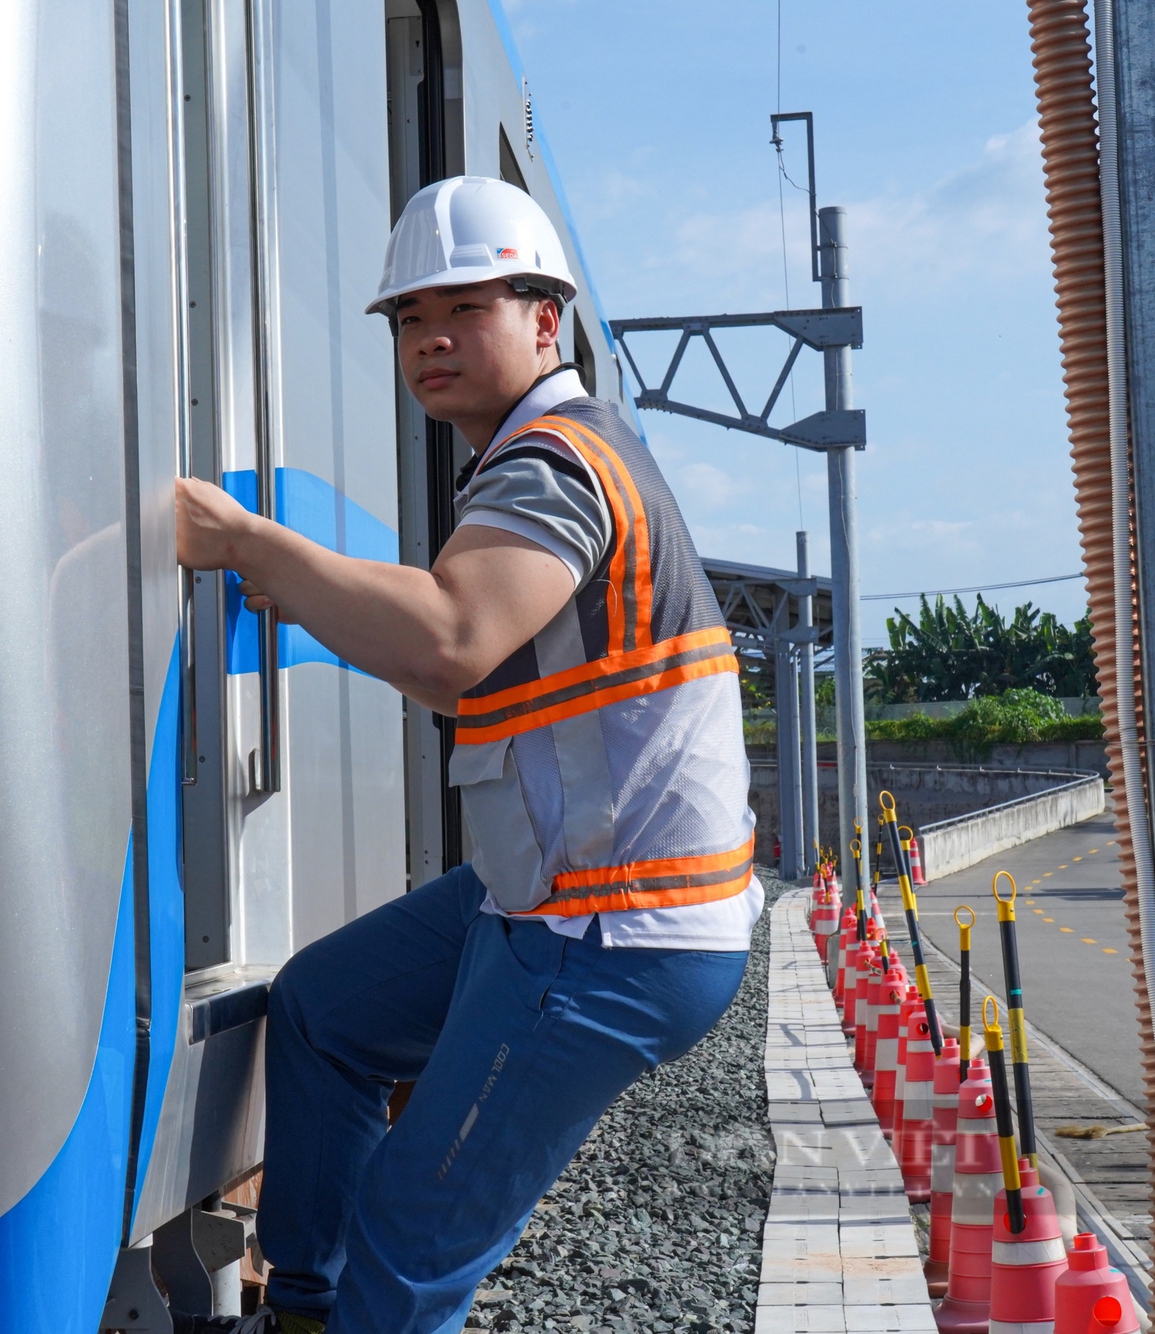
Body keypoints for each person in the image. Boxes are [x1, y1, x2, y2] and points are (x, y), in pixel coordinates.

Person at [173, 176, 762, 1334]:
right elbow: (456, 662)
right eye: (407, 318)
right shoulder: (548, 455)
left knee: (415, 1226)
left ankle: (362, 1303)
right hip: (543, 895)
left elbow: (450, 639)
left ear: (545, 319)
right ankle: (310, 1306)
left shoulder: (552, 462)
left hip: (608, 929)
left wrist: (252, 545)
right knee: (322, 1010)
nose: (429, 336)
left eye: (465, 307)